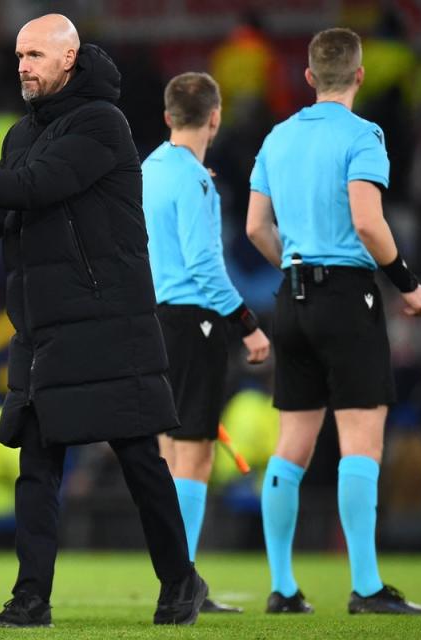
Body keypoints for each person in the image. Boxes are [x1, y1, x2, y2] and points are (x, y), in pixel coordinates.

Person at [0, 13, 206, 628]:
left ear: (69, 58)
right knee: (36, 465)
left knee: (139, 459)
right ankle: (31, 597)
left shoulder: (102, 123)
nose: (23, 67)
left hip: (109, 323)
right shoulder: (21, 134)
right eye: (18, 56)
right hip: (42, 330)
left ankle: (180, 580)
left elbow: (36, 188)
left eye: (35, 55)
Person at [245, 27, 421, 615]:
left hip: (290, 299)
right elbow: (369, 222)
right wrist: (408, 284)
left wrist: (296, 273)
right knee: (361, 442)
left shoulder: (277, 138)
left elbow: (255, 227)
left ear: (308, 77)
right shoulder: (363, 136)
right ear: (359, 76)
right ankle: (368, 587)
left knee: (292, 446)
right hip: (348, 299)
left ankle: (282, 588)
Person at [141, 71, 270, 615]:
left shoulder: (146, 170)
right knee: (193, 459)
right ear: (214, 117)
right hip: (196, 321)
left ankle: (175, 577)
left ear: (169, 117)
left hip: (153, 322)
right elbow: (205, 267)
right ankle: (183, 584)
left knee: (170, 457)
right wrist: (249, 323)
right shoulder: (196, 182)